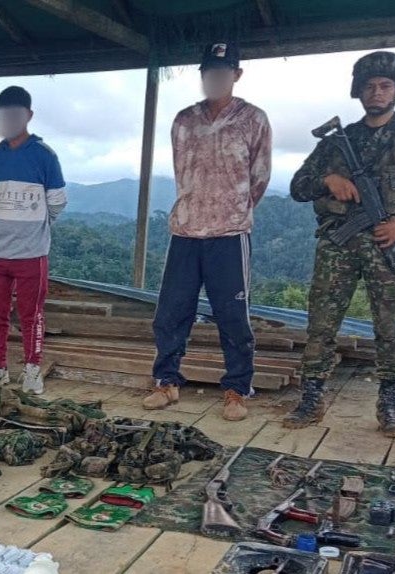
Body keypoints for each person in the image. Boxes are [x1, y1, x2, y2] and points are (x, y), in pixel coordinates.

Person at [284, 51, 395, 437]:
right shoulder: (337, 143)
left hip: (388, 246)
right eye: (369, 86)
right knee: (322, 323)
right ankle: (311, 396)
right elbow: (297, 185)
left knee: (392, 326)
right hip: (338, 246)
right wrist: (328, 181)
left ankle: (390, 402)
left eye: (385, 85)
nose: (376, 92)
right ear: (358, 92)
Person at [143, 42, 272, 421]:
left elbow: (259, 178)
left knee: (232, 315)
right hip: (185, 231)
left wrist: (232, 209)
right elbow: (182, 172)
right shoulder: (184, 120)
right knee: (170, 312)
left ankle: (236, 389)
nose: (214, 78)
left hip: (230, 234)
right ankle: (166, 381)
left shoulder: (253, 119)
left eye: (222, 72)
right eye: (208, 73)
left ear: (236, 74)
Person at [0, 86, 68, 394]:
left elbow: (56, 201)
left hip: (31, 253)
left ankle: (31, 368)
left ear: (28, 116)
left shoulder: (44, 156)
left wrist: (39, 227)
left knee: (31, 314)